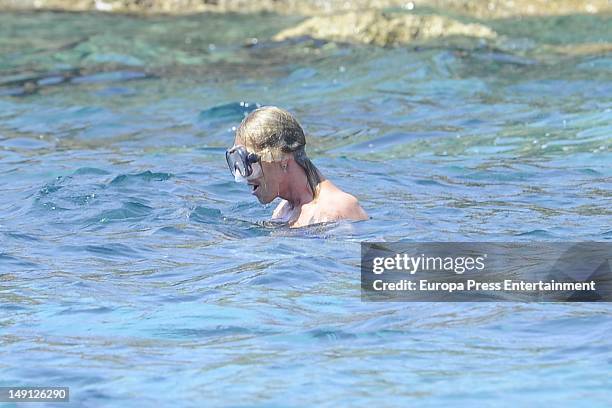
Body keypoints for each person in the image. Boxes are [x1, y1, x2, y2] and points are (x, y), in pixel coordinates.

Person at [225, 106, 368, 228]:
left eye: (249, 162)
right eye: (236, 162)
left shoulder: (338, 209)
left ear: (283, 159)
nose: (241, 176)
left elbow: (376, 259)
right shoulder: (283, 211)